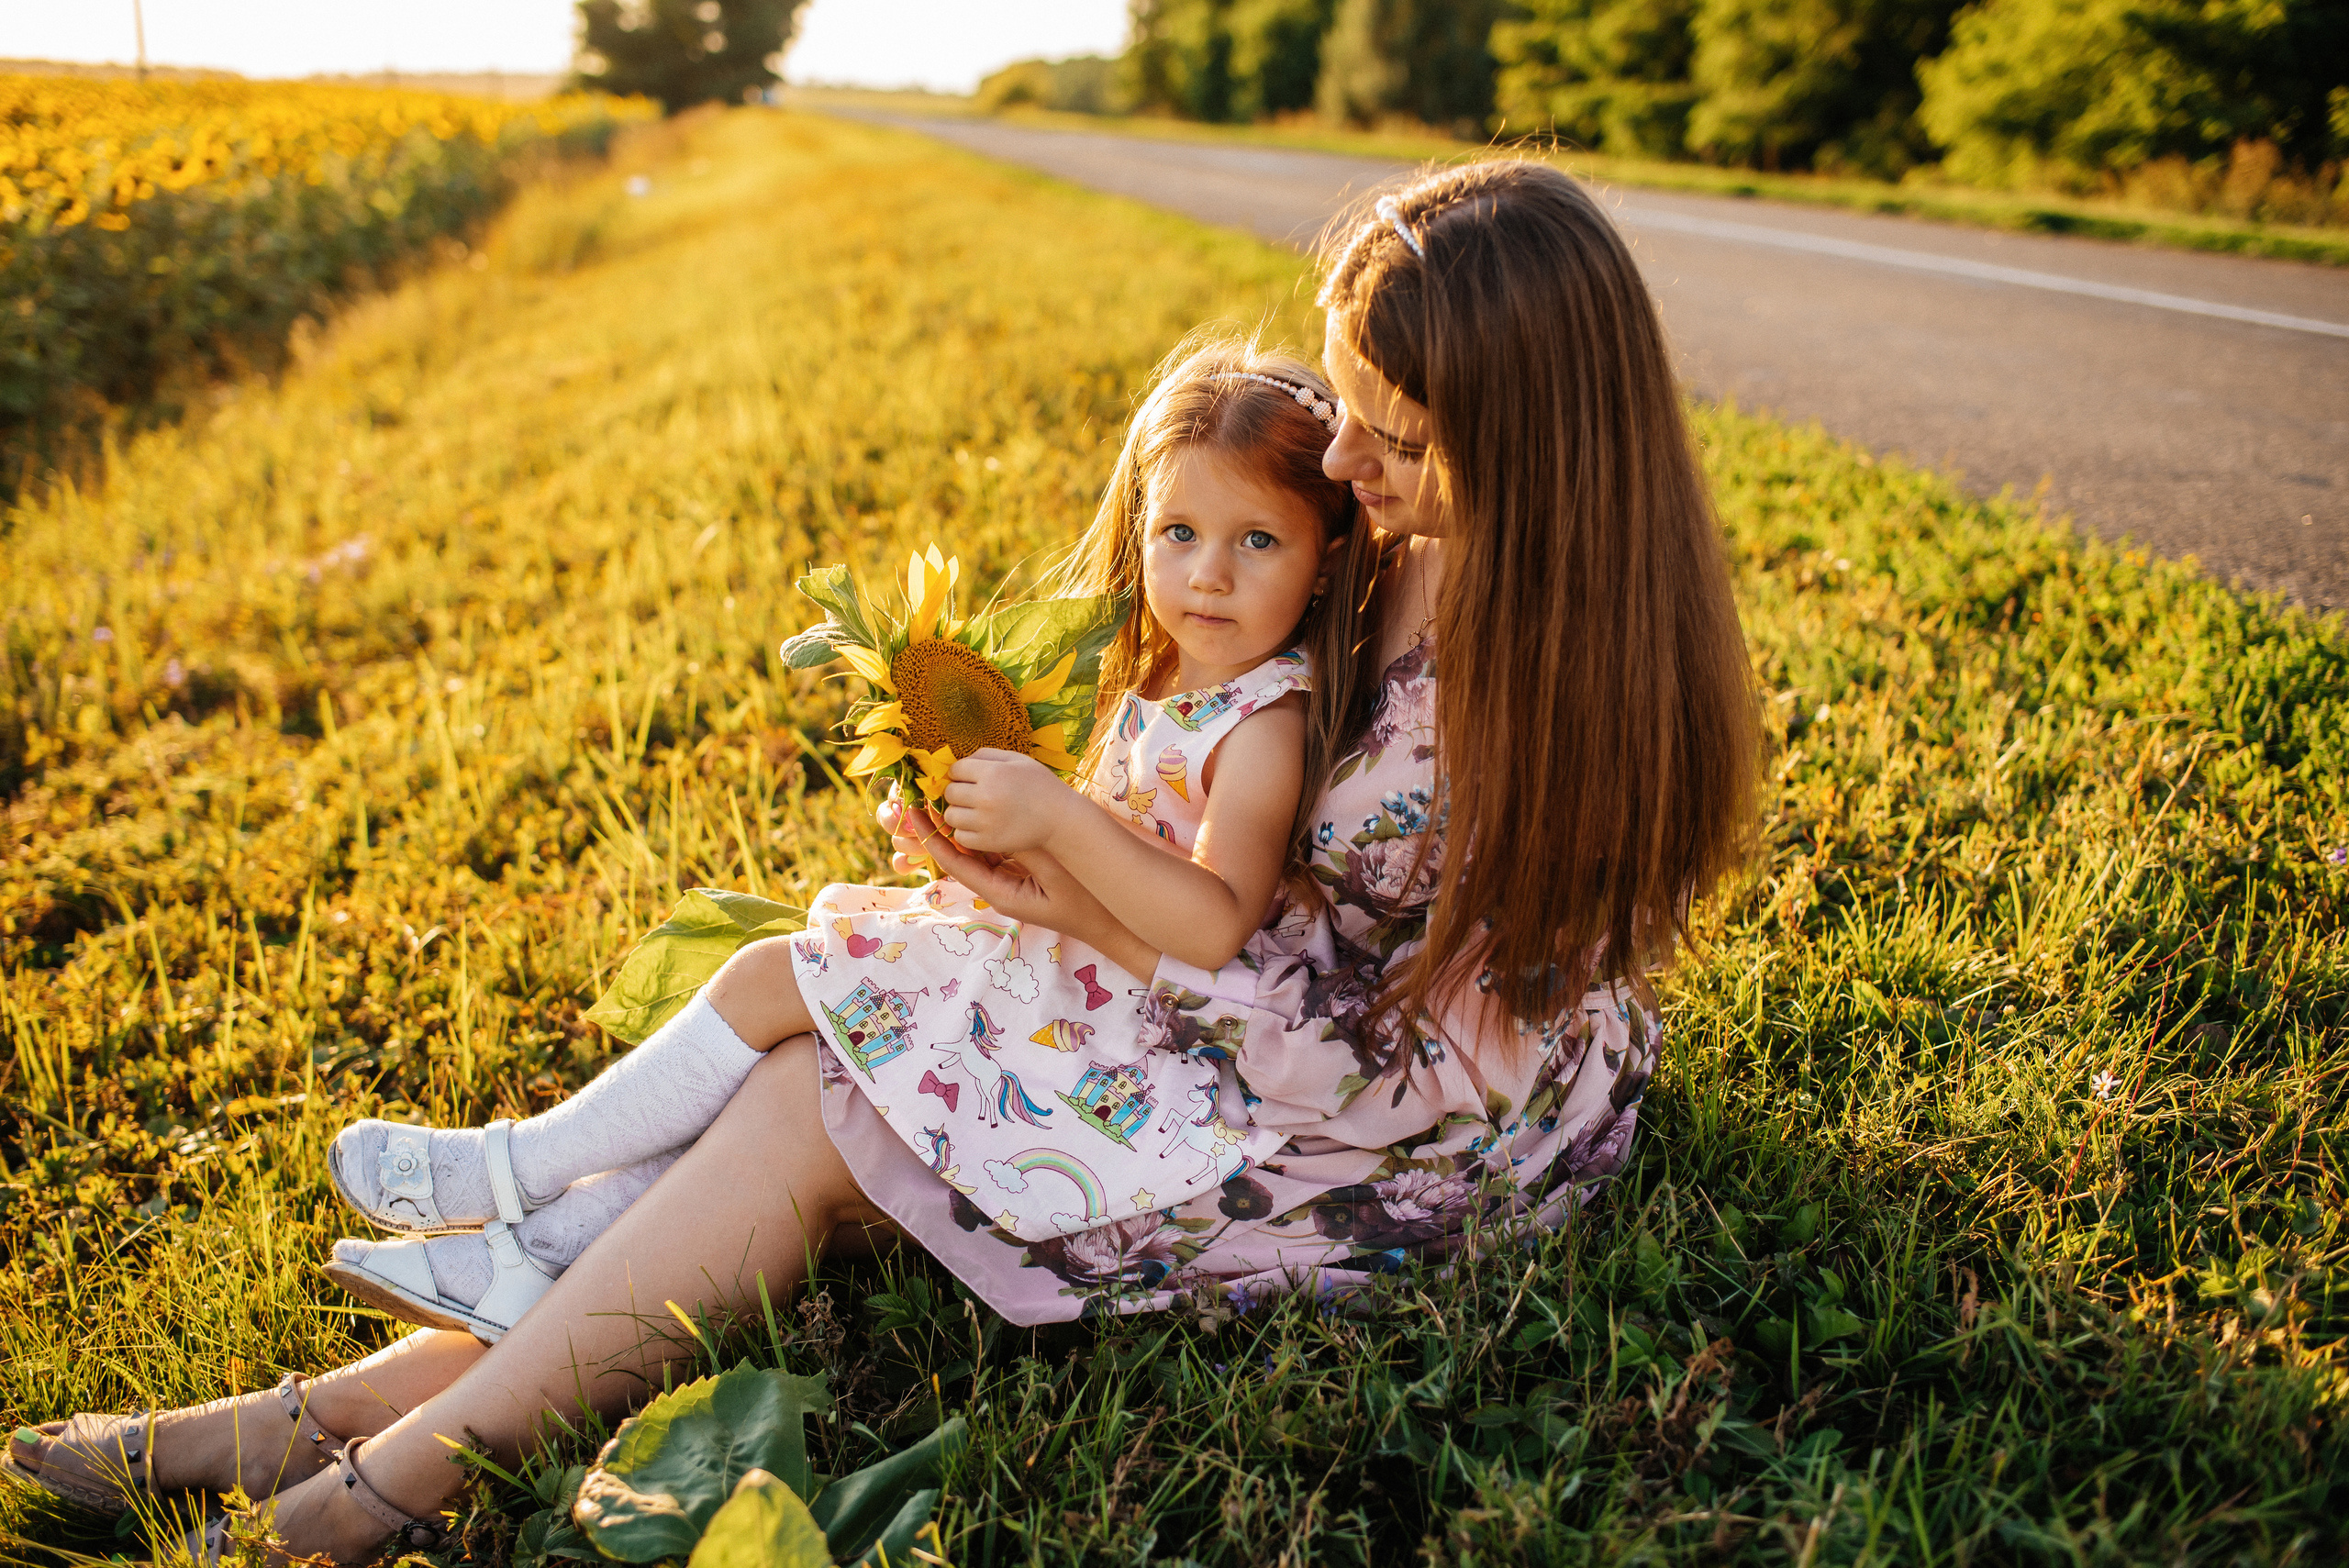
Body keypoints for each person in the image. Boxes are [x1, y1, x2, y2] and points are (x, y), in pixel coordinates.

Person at [2, 159, 1756, 1564]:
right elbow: (1238, 827)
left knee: (825, 1101)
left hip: (1381, 1102)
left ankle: (380, 1476)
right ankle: (344, 1414)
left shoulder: (1558, 678)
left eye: (1389, 424)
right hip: (1234, 971)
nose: (1340, 448)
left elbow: (1342, 981)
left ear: (1518, 434)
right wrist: (1045, 883)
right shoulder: (1392, 528)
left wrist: (1080, 895)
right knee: (824, 1040)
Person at [311, 339, 1376, 1340]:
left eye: (1257, 540)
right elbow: (1112, 850)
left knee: (777, 984)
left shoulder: (1265, 723)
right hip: (1068, 964)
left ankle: (514, 1173)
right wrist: (987, 842)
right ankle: (533, 1253)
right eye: (1179, 532)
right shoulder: (1152, 669)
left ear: (1324, 563)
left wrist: (1060, 819)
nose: (1208, 575)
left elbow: (1211, 918)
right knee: (792, 1028)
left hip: (1128, 1030)